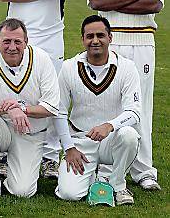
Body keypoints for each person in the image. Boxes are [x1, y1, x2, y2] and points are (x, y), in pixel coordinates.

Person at [87, 0, 164, 191]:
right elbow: (95, 2)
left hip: (143, 42)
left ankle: (144, 171)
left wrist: (113, 0)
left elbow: (154, 5)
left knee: (141, 106)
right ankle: (108, 166)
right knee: (110, 105)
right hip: (111, 42)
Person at [0, 0, 76, 177]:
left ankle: (51, 156)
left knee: (53, 96)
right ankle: (8, 151)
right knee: (11, 92)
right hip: (16, 39)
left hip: (52, 36)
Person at [54, 15, 141, 205]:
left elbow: (134, 111)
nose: (95, 41)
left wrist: (109, 125)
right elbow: (59, 112)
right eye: (90, 36)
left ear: (110, 37)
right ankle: (94, 177)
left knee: (129, 135)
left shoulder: (127, 68)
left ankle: (118, 184)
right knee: (69, 194)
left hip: (112, 140)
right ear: (82, 39)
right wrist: (69, 148)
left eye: (100, 35)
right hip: (80, 141)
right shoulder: (69, 67)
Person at [0, 18, 59, 202]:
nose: (12, 47)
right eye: (6, 41)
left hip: (30, 132)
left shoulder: (41, 59)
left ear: (26, 42)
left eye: (17, 42)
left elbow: (51, 107)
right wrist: (8, 110)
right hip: (1, 129)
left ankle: (8, 167)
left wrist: (21, 108)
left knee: (22, 191)